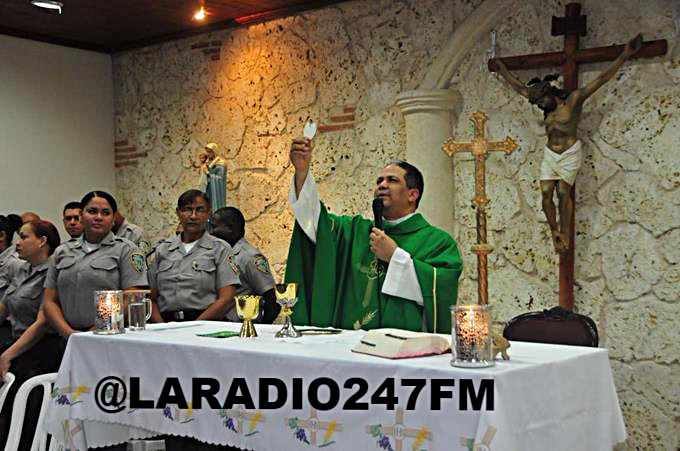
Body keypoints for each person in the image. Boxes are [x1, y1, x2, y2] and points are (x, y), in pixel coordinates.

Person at [287, 138, 463, 333]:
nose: (382, 185)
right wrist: (302, 173)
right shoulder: (354, 231)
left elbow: (440, 291)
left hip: (403, 348)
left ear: (413, 195)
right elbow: (313, 221)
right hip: (351, 345)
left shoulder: (437, 242)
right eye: (379, 181)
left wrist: (394, 256)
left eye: (392, 180)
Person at [491, 34, 643, 253]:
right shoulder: (545, 106)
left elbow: (601, 80)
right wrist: (503, 69)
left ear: (550, 92)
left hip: (569, 152)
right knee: (545, 196)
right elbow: (520, 88)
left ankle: (566, 233)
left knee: (563, 193)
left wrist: (625, 54)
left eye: (543, 101)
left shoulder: (573, 101)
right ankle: (555, 231)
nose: (542, 106)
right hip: (551, 154)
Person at [43, 191, 148, 337]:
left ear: (113, 219)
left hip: (110, 336)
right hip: (67, 337)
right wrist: (69, 333)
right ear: (81, 215)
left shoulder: (127, 250)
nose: (98, 217)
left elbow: (132, 297)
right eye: (92, 211)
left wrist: (94, 332)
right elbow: (49, 301)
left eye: (105, 213)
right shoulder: (62, 252)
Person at [0, 220, 62, 449]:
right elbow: (4, 307)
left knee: (28, 413)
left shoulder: (53, 271)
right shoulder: (21, 269)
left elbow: (42, 323)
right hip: (16, 344)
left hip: (39, 350)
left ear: (42, 241)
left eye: (24, 237)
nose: (18, 243)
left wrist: (7, 355)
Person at [149, 190, 239, 323]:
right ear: (178, 213)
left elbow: (227, 298)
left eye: (200, 210)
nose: (193, 216)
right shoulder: (163, 250)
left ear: (209, 213)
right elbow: (150, 298)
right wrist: (161, 327)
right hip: (165, 325)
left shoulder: (220, 249)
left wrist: (195, 326)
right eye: (187, 210)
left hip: (205, 325)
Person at [211, 207, 279, 323]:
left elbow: (271, 297)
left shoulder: (249, 257)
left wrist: (262, 328)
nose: (211, 232)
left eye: (214, 227)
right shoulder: (222, 254)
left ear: (230, 228)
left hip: (241, 327)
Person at [202, 143, 227, 214]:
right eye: (207, 152)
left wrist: (207, 173)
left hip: (217, 190)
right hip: (209, 188)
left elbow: (220, 178)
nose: (208, 154)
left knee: (215, 208)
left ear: (214, 152)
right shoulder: (208, 162)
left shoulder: (221, 163)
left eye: (209, 152)